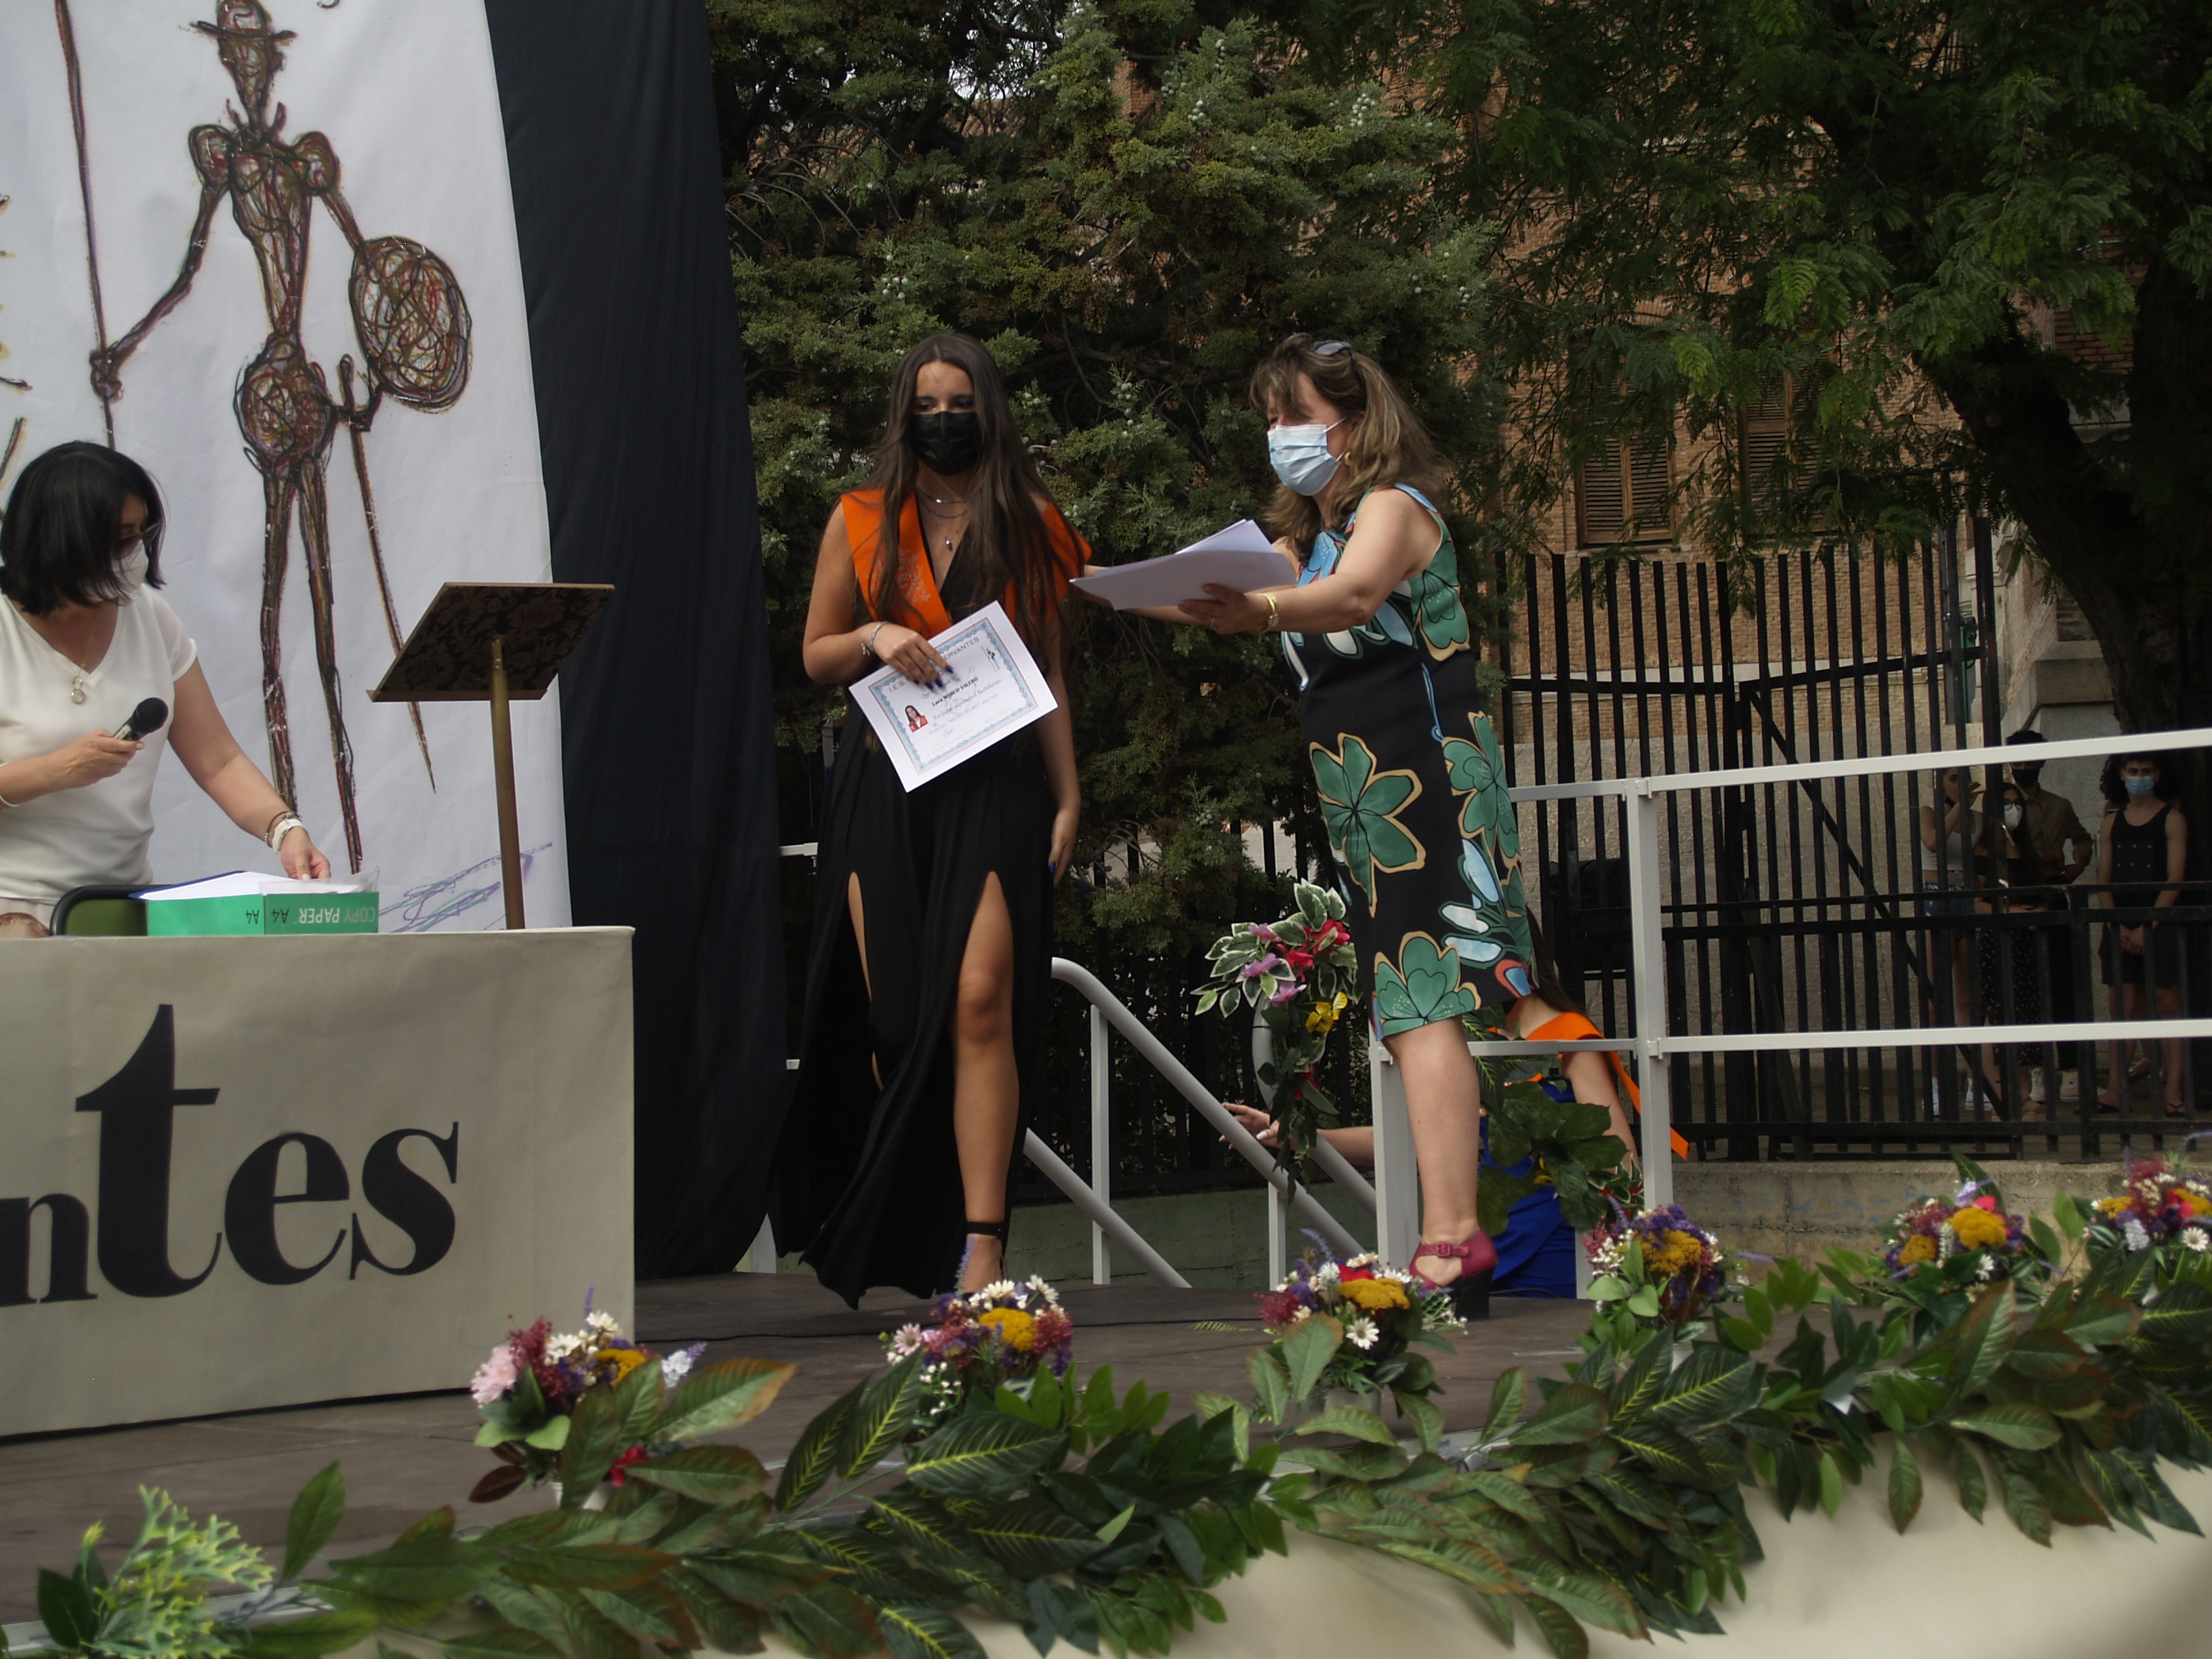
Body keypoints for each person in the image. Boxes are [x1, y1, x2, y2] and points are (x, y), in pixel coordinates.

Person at [1105, 334, 1534, 1316]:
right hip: (1366, 800)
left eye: (1295, 415)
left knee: (1425, 1001)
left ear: (1354, 419)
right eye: (1272, 419)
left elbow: (1353, 599)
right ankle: (1449, 1235)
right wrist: (1098, 583)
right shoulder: (1308, 543)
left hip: (1424, 780)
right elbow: (1226, 603)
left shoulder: (1394, 509)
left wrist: (1256, 611)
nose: (1280, 435)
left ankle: (1453, 1236)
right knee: (1408, 1009)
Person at [777, 334, 1084, 1303]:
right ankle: (907, 1208)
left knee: (982, 1001)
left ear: (987, 410)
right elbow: (816, 655)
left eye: (959, 404)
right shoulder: (861, 518)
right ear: (902, 415)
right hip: (888, 783)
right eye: (926, 405)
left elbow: (1048, 667)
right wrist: (872, 634)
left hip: (996, 784)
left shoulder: (1032, 522)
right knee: (901, 1021)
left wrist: (1070, 794)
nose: (943, 420)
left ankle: (984, 1244)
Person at [1223, 924, 1683, 1298]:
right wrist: (1301, 1138)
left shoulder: (1569, 1036)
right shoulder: (1469, 1044)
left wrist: (1639, 1262)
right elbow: (1414, 1140)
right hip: (1475, 1249)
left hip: (1554, 1255)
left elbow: (1621, 1162)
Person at [0, 443, 331, 937]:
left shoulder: (150, 615)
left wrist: (284, 828)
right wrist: (55, 770)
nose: (135, 552)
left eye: (142, 534)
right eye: (120, 539)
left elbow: (219, 761)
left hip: (115, 906)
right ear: (61, 541)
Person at [2095, 753, 2190, 1115]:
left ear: (2157, 775)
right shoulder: (2110, 823)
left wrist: (2149, 926)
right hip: (2119, 924)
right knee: (2122, 1006)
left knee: (2169, 1004)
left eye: (2146, 771)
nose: (2139, 777)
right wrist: (2115, 924)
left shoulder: (2173, 819)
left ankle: (2174, 1091)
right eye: (2133, 771)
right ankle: (2115, 1090)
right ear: (2121, 775)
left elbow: (2175, 878)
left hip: (2160, 924)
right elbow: (2103, 879)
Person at [2006, 730, 2093, 1103]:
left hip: (2054, 893)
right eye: (2018, 759)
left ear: (2042, 760)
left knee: (2063, 983)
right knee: (2024, 988)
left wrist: (2077, 865)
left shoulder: (2060, 805)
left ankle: (2071, 1070)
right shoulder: (2004, 805)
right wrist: (2047, 858)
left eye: (2031, 758)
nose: (2024, 766)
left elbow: (2083, 838)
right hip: (2017, 896)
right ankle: (2036, 1069)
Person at [1974, 782, 2051, 1117]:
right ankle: (1999, 1093)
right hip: (1998, 941)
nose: (2014, 810)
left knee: (2026, 1015)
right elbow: (1975, 903)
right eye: (2006, 803)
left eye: (2017, 803)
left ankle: (2023, 1092)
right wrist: (2013, 912)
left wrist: (2039, 911)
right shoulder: (1983, 853)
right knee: (1998, 1015)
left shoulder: (2025, 849)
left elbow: (2041, 893)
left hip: (2028, 943)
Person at [1917, 765, 1988, 1111]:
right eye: (1952, 779)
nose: (1960, 784)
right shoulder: (1928, 812)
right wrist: (1959, 806)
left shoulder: (1978, 819)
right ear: (1941, 783)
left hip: (1967, 897)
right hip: (1937, 895)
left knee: (1969, 997)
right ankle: (1935, 1085)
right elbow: (1934, 842)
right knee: (1936, 998)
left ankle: (1977, 1081)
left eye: (1965, 778)